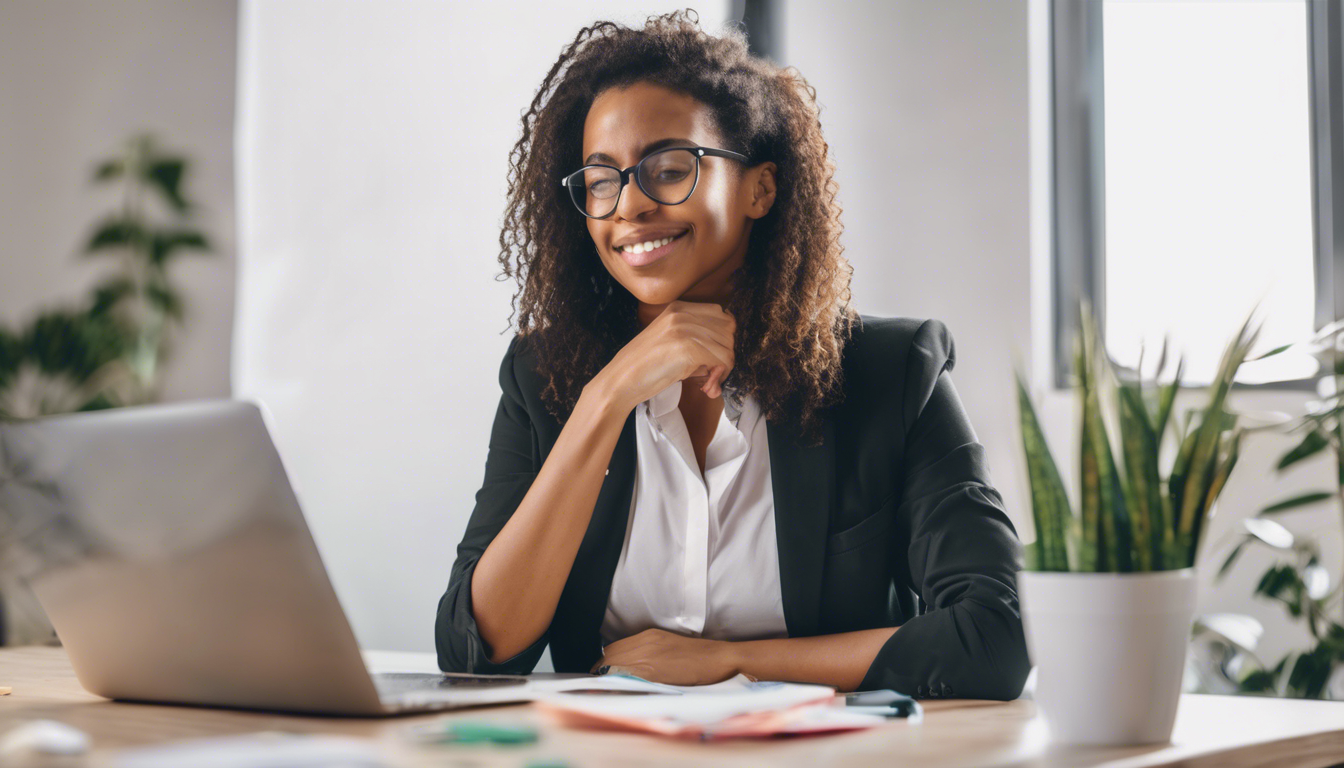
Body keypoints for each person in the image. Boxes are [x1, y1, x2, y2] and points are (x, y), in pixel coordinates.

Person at [435, 9, 1030, 700]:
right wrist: (606, 399)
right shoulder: (548, 379)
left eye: (667, 168)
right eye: (602, 180)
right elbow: (476, 651)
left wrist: (730, 661)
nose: (629, 206)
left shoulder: (891, 375)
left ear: (760, 188)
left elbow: (995, 637)